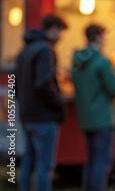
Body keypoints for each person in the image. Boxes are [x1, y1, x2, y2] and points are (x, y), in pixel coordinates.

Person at [71, 24, 115, 191]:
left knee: (91, 160)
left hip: (85, 118)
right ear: (98, 37)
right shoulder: (102, 61)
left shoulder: (76, 61)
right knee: (102, 162)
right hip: (103, 118)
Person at [16, 14, 67, 191]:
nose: (61, 36)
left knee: (28, 161)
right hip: (43, 117)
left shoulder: (25, 50)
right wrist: (58, 104)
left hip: (27, 116)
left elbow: (15, 84)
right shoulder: (45, 50)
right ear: (53, 29)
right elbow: (43, 82)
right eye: (60, 31)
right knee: (44, 166)